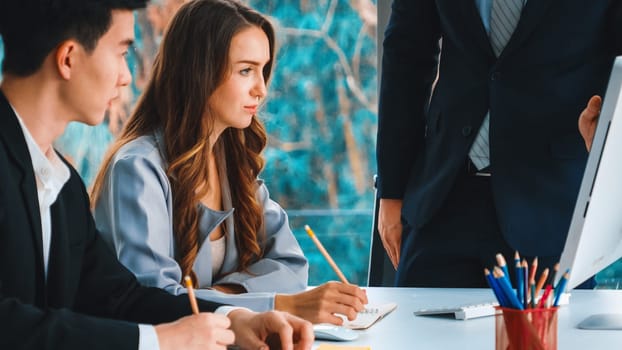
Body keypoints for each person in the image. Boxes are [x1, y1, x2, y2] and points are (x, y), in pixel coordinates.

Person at [0, 1, 314, 349]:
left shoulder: (63, 184)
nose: (127, 76)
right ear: (69, 58)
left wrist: (231, 319)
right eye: (121, 53)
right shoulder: (123, 167)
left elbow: (119, 297)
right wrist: (159, 339)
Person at [90, 0, 368, 325]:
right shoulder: (137, 169)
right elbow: (156, 300)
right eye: (246, 70)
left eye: (263, 70)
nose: (261, 89)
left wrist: (226, 296)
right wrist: (275, 304)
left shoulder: (232, 163)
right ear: (199, 71)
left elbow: (291, 266)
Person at [376, 0, 622, 287]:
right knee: (413, 329)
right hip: (443, 198)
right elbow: (406, 54)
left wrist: (610, 122)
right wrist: (391, 192)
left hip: (552, 203)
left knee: (547, 333)